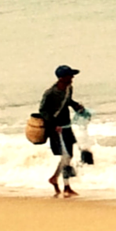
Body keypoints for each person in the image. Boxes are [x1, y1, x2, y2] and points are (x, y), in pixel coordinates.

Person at [38, 65, 87, 198]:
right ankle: (65, 186)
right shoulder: (49, 93)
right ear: (62, 78)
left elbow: (68, 102)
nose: (72, 77)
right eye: (70, 75)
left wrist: (76, 106)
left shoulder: (68, 89)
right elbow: (42, 110)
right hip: (55, 128)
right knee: (66, 156)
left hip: (66, 126)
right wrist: (54, 124)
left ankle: (57, 180)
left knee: (68, 156)